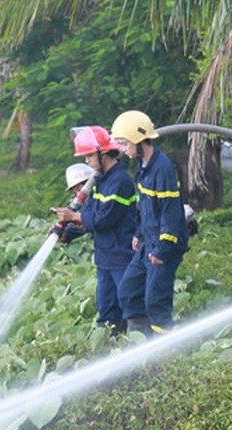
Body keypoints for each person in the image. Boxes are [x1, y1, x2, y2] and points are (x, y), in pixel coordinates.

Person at [110, 110, 188, 336]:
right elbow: (145, 208)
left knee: (156, 302)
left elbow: (170, 214)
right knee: (128, 291)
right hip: (147, 242)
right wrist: (138, 233)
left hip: (163, 246)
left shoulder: (162, 169)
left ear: (138, 140)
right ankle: (141, 340)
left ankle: (163, 351)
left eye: (124, 143)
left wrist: (162, 250)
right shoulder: (143, 166)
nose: (122, 149)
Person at [54, 126, 137, 333]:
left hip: (121, 254)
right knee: (106, 306)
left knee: (129, 304)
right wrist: (69, 229)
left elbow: (105, 218)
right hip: (105, 256)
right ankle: (109, 345)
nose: (87, 161)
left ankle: (140, 349)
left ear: (104, 153)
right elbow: (90, 211)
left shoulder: (119, 181)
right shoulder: (101, 180)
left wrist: (73, 216)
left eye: (89, 156)